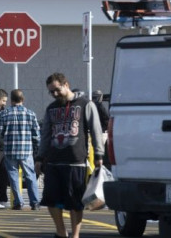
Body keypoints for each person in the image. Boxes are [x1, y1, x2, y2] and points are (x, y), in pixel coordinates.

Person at [36, 73, 104, 238]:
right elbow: (45, 135)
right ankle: (61, 232)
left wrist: (99, 154)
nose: (55, 94)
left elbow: (96, 131)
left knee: (75, 203)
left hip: (76, 162)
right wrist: (39, 158)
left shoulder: (85, 104)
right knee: (51, 201)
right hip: (53, 162)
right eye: (51, 92)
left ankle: (75, 235)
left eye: (57, 90)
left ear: (66, 84)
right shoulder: (51, 109)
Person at [0, 89, 41, 211]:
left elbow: (0, 132)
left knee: (13, 176)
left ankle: (18, 202)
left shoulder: (4, 114)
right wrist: (37, 148)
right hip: (26, 151)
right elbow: (36, 135)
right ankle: (35, 202)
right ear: (22, 99)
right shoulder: (31, 114)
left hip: (10, 150)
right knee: (30, 176)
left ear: (11, 100)